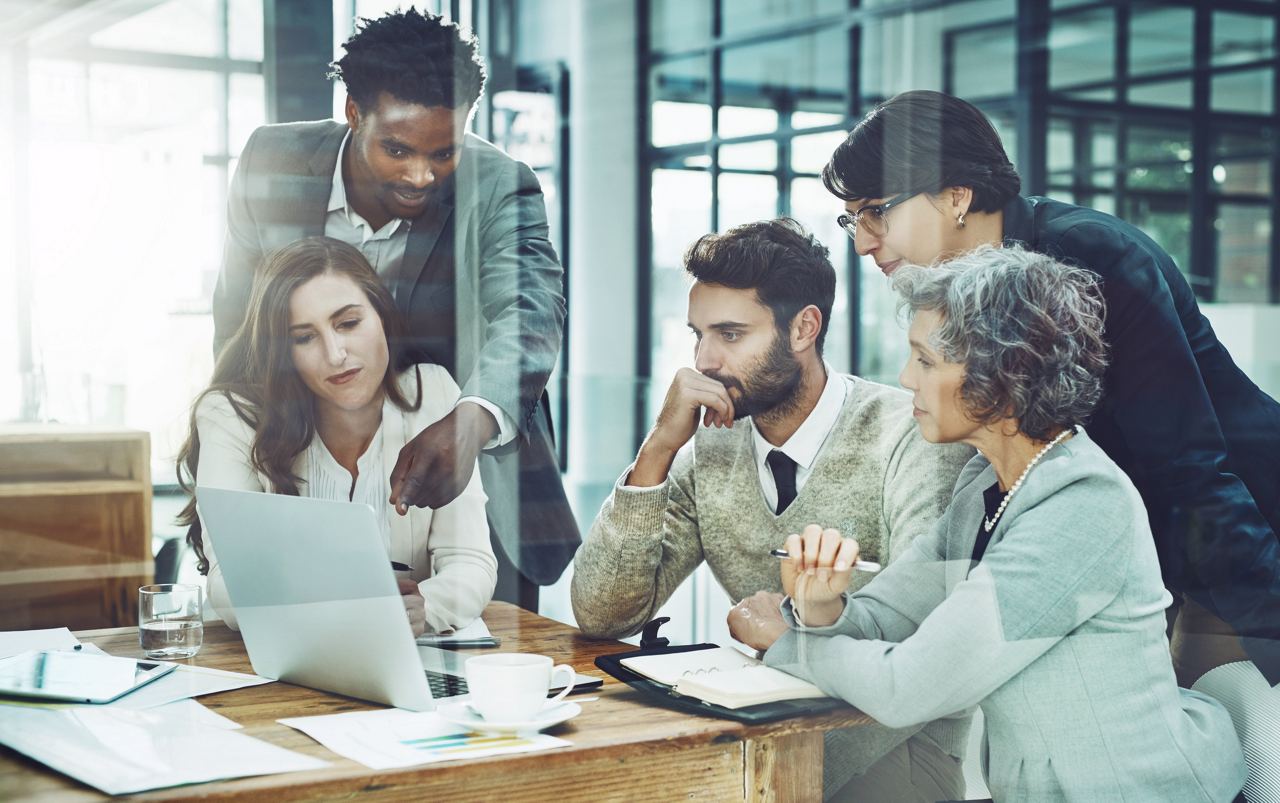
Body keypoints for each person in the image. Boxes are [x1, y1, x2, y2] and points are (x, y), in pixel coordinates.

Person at [822, 89, 1280, 795]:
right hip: (1146, 540)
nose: (861, 240)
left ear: (954, 195)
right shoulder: (953, 308)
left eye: (876, 210)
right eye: (850, 218)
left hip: (1239, 533)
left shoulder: (1092, 259)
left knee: (1210, 752)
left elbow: (1192, 471)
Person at [753, 246, 1247, 802]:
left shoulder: (1081, 508)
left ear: (1002, 375)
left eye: (926, 360)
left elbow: (909, 687)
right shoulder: (983, 487)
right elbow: (887, 617)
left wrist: (785, 643)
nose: (904, 377)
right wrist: (821, 608)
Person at [571, 217, 975, 802]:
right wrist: (657, 449)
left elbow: (917, 641)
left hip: (889, 739)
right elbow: (603, 614)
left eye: (730, 334)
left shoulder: (910, 437)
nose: (703, 361)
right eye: (698, 335)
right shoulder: (712, 443)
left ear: (804, 328)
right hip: (751, 731)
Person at [209, 8, 574, 611]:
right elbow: (237, 323)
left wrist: (471, 421)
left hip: (465, 483)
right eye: (397, 149)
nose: (421, 175)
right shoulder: (272, 160)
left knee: (485, 680)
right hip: (310, 475)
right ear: (353, 111)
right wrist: (230, 463)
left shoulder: (500, 184)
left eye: (444, 152)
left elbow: (531, 310)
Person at [179, 237, 497, 635]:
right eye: (304, 337)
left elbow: (471, 563)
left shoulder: (433, 393)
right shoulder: (232, 415)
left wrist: (423, 610)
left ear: (381, 314)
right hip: (272, 662)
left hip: (400, 658)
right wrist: (349, 611)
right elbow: (229, 586)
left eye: (348, 323)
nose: (335, 354)